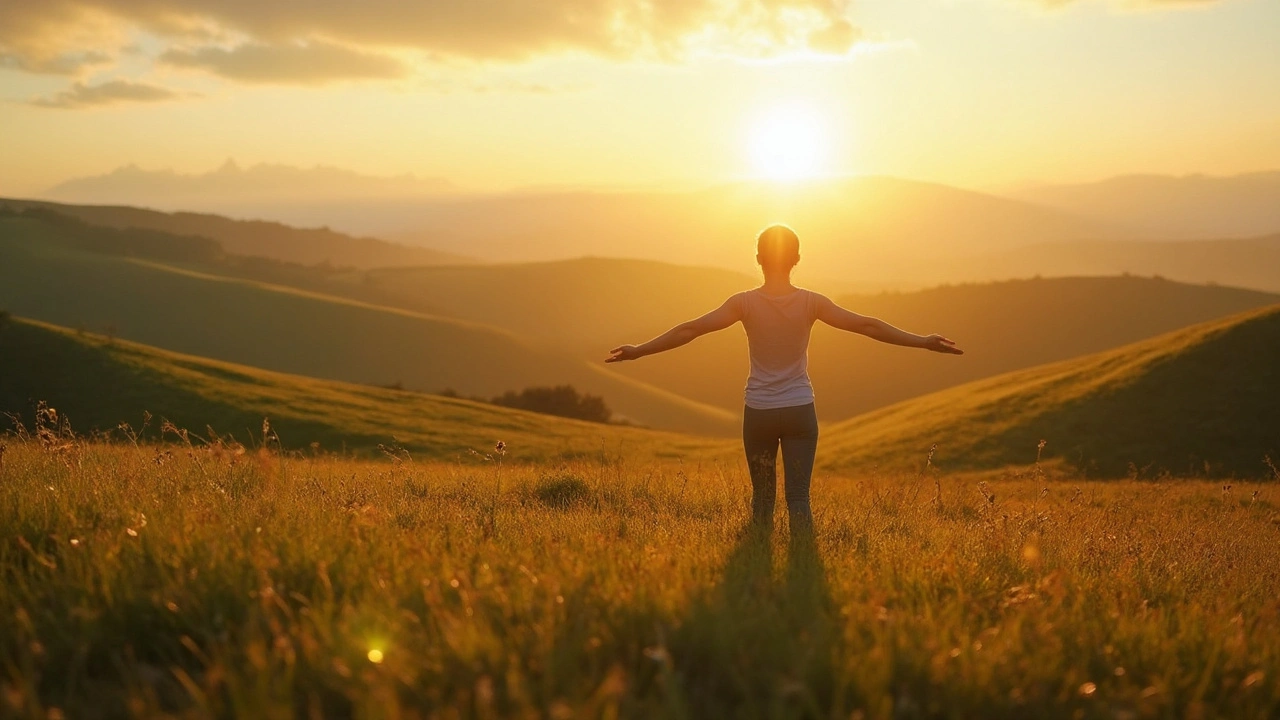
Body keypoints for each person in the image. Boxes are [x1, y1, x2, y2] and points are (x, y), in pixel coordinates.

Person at [605, 224, 963, 533]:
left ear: (759, 259)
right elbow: (867, 326)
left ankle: (757, 573)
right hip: (799, 411)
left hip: (758, 411)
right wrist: (923, 342)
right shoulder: (811, 302)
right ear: (797, 259)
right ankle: (802, 566)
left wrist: (640, 350)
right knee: (798, 498)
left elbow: (691, 330)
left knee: (762, 498)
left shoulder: (743, 302)